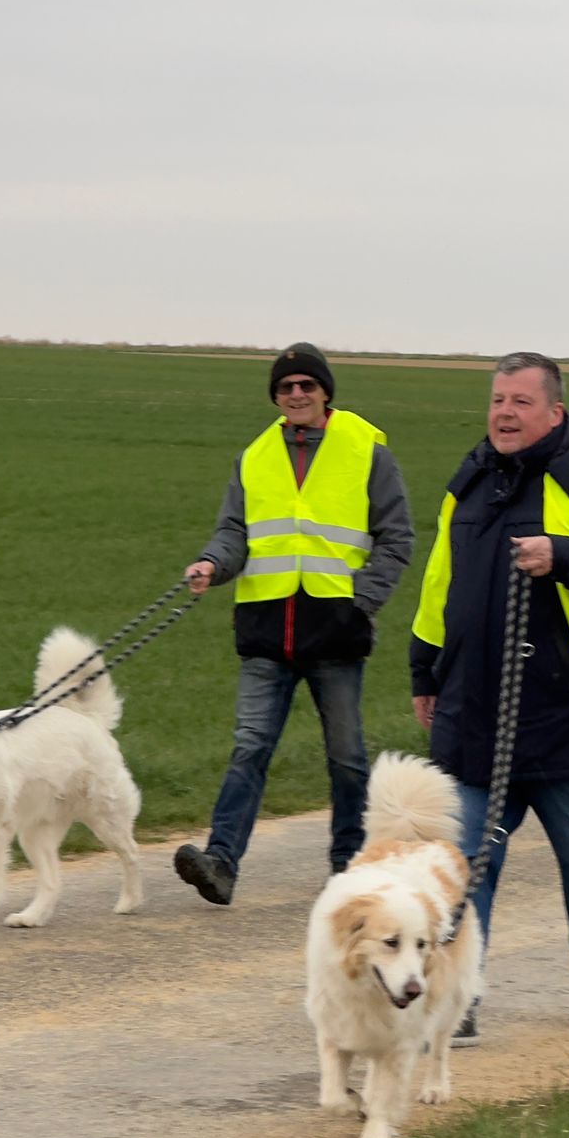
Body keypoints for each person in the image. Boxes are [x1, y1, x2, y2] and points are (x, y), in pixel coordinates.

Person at [410, 351, 569, 1038]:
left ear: (554, 412)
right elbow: (439, 587)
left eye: (520, 402)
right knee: (465, 859)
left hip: (567, 707)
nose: (505, 413)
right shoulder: (469, 484)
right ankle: (461, 993)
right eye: (497, 400)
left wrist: (564, 556)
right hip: (476, 706)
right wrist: (424, 671)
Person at [175, 343, 413, 905]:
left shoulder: (367, 450)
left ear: (326, 391)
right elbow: (235, 532)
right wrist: (212, 564)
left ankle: (349, 866)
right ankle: (221, 862)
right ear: (276, 397)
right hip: (266, 629)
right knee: (250, 748)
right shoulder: (255, 456)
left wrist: (362, 601)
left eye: (308, 385)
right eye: (287, 387)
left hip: (336, 632)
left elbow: (397, 536)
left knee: (347, 759)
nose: (297, 394)